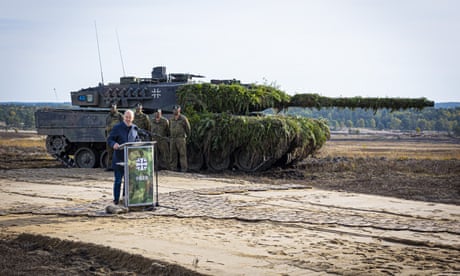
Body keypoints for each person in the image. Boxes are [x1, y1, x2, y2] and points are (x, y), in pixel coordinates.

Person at [107, 109, 140, 205]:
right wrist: (114, 144)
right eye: (127, 117)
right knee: (118, 180)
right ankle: (116, 200)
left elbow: (137, 140)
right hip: (119, 159)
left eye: (130, 117)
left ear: (133, 118)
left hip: (130, 160)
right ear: (124, 117)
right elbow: (110, 139)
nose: (128, 119)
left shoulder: (135, 128)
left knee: (128, 181)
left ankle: (125, 198)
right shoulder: (117, 127)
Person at [169, 105, 191, 172]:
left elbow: (188, 129)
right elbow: (169, 127)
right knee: (173, 154)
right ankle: (173, 168)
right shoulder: (171, 119)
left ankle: (184, 169)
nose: (176, 111)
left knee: (182, 154)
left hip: (180, 138)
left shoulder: (183, 118)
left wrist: (187, 137)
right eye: (174, 110)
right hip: (173, 139)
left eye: (177, 110)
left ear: (179, 110)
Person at [105, 104, 123, 171]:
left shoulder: (120, 116)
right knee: (109, 152)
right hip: (109, 136)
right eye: (112, 108)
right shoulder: (108, 116)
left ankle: (117, 166)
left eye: (114, 108)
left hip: (117, 137)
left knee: (117, 153)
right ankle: (109, 166)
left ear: (116, 108)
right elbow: (106, 126)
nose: (112, 109)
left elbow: (123, 125)